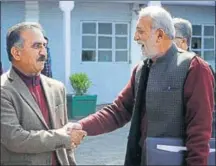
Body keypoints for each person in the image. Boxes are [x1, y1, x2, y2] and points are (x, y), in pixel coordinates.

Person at [73, 6, 214, 166]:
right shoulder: (141, 70)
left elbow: (199, 133)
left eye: (141, 31)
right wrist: (81, 126)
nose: (135, 37)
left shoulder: (194, 68)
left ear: (160, 35)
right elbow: (118, 111)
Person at [1, 22, 86, 165]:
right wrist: (64, 137)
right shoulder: (4, 90)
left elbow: (67, 145)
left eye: (44, 45)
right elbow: (15, 139)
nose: (43, 52)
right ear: (16, 53)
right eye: (36, 46)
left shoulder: (57, 87)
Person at [173, 18, 215, 138]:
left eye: (171, 39)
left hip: (191, 141)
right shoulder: (167, 67)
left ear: (183, 42)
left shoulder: (199, 69)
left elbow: (202, 116)